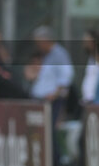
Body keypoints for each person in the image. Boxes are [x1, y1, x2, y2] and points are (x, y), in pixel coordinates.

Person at [30, 25, 74, 166]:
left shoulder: (59, 54)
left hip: (53, 101)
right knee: (42, 132)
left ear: (46, 40)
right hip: (42, 100)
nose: (38, 46)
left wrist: (54, 94)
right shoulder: (47, 55)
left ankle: (57, 161)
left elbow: (66, 77)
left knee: (50, 132)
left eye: (39, 42)